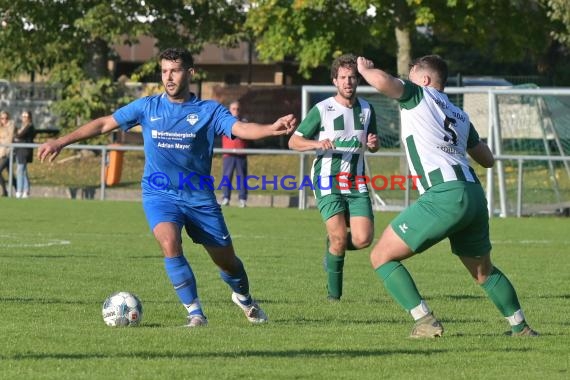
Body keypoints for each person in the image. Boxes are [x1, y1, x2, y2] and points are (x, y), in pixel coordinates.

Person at [38, 47, 296, 327]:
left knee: (227, 262)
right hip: (159, 192)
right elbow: (104, 123)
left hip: (198, 197)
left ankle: (244, 298)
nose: (168, 77)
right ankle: (195, 313)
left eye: (174, 70)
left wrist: (271, 128)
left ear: (190, 73)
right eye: (164, 71)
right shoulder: (147, 107)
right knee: (170, 243)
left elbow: (240, 129)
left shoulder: (209, 111)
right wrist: (60, 141)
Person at [356, 54, 538, 337]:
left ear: (425, 80)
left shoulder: (419, 94)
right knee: (483, 273)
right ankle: (521, 327)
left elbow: (383, 82)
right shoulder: (459, 113)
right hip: (473, 195)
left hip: (444, 194)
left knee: (381, 256)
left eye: (411, 73)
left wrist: (364, 69)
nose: (407, 78)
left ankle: (424, 320)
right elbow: (487, 159)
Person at [289, 54, 379, 301]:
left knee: (363, 239)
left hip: (356, 180)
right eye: (343, 78)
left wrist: (373, 144)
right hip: (327, 179)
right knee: (339, 238)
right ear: (335, 81)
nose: (348, 82)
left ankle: (332, 248)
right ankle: (334, 297)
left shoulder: (367, 109)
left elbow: (373, 143)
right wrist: (317, 142)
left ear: (357, 79)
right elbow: (294, 141)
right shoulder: (322, 109)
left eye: (352, 77)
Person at [221, 100, 248, 208]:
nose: (236, 111)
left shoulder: (244, 122)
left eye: (237, 109)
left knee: (242, 177)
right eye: (233, 109)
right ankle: (226, 197)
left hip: (241, 154)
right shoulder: (224, 121)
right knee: (227, 176)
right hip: (228, 154)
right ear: (229, 110)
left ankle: (242, 199)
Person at [14, 110, 35, 198]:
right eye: (23, 116)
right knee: (23, 171)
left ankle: (19, 190)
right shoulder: (23, 126)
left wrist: (16, 135)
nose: (24, 118)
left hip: (24, 151)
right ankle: (26, 191)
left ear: (29, 117)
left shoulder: (29, 126)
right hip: (19, 150)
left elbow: (20, 135)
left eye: (26, 116)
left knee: (20, 170)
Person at [0, 111, 16, 197]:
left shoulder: (11, 126)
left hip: (7, 153)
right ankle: (18, 190)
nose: (4, 120)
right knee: (10, 174)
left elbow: (9, 140)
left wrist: (2, 140)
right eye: (2, 118)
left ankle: (4, 192)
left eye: (6, 118)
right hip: (0, 153)